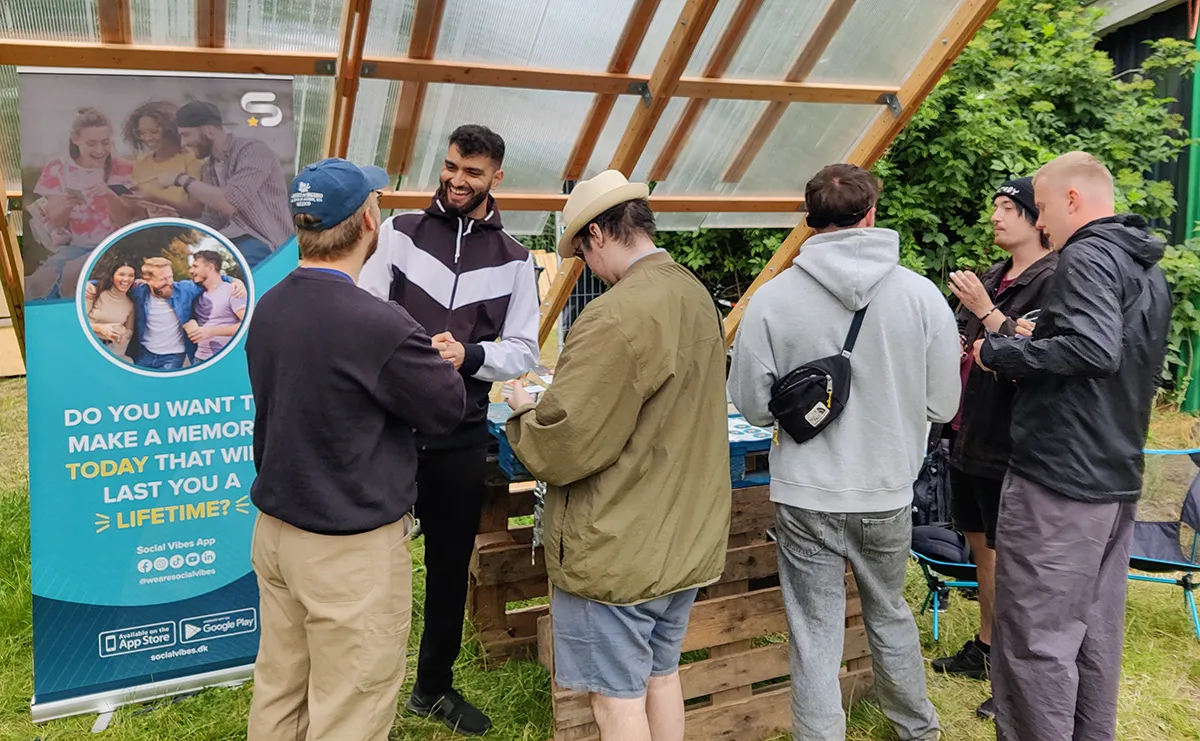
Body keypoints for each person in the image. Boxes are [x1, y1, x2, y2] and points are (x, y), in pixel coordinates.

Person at [728, 163, 959, 741]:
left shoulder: (772, 298)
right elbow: (943, 402)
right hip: (886, 489)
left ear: (809, 222)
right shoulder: (920, 295)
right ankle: (917, 729)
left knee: (814, 631)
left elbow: (753, 407)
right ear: (872, 212)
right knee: (890, 612)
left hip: (806, 494)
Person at [245, 157, 466, 741]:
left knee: (280, 689)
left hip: (277, 533)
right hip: (348, 553)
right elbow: (444, 409)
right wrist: (428, 357)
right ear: (369, 220)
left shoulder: (269, 307)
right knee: (352, 711)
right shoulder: (378, 322)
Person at [505, 169, 730, 741]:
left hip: (620, 547)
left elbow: (564, 441)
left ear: (599, 234)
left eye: (582, 251)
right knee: (662, 677)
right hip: (683, 537)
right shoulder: (692, 291)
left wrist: (522, 411)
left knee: (616, 701)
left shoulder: (613, 314)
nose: (588, 266)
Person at [976, 151, 1171, 741]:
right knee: (1091, 631)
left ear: (1072, 200)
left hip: (1059, 474)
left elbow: (1093, 351)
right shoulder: (1143, 266)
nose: (1039, 225)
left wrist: (1003, 353)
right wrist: (1048, 335)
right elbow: (1113, 354)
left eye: (1042, 208)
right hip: (1113, 472)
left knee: (1034, 637)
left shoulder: (1084, 255)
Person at [357, 124, 539, 735]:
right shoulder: (399, 232)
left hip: (461, 432)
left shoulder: (515, 258)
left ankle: (433, 686)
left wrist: (470, 355)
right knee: (367, 559)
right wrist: (406, 350)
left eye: (474, 173)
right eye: (453, 167)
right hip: (387, 429)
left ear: (497, 178)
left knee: (448, 562)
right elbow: (363, 306)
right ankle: (357, 682)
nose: (458, 181)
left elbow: (523, 350)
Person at [931, 177, 1058, 720]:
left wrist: (989, 315)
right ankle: (987, 647)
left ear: (1036, 217)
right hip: (970, 433)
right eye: (995, 207)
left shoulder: (1054, 280)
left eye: (1009, 208)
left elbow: (1031, 355)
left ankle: (1013, 669)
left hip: (1015, 442)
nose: (997, 216)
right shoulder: (992, 277)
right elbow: (978, 344)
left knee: (1012, 559)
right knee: (983, 548)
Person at [26, 107, 137, 299]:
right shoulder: (58, 168)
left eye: (105, 143)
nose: (100, 150)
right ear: (75, 140)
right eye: (91, 144)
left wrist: (109, 195)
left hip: (115, 244)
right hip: (76, 245)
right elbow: (57, 222)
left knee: (73, 276)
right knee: (40, 282)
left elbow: (126, 218)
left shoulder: (123, 167)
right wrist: (67, 205)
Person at [166, 101, 292, 267]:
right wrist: (177, 220)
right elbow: (213, 220)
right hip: (230, 242)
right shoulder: (209, 168)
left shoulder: (253, 151)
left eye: (186, 135)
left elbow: (230, 202)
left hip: (266, 243)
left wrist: (181, 179)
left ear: (208, 130)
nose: (183, 143)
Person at [116, 256, 243, 370]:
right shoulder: (139, 292)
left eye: (170, 277)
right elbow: (109, 285)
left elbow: (210, 278)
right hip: (144, 353)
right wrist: (94, 285)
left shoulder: (184, 289)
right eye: (163, 279)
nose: (170, 282)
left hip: (173, 356)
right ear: (148, 280)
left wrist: (234, 281)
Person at [121, 100, 204, 218]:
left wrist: (156, 200)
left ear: (171, 130)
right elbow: (140, 214)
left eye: (154, 132)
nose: (148, 138)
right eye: (142, 133)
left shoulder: (193, 160)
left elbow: (197, 210)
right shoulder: (139, 165)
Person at [185, 249, 247, 362]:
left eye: (195, 266)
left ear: (210, 267)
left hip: (225, 359)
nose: (191, 270)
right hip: (199, 358)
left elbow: (248, 324)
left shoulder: (233, 291)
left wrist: (212, 331)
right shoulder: (196, 294)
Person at [86, 258, 138, 361]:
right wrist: (100, 328)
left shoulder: (131, 304)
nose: (126, 279)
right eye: (121, 274)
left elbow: (129, 330)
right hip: (86, 344)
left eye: (131, 275)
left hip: (109, 350)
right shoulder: (94, 293)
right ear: (112, 276)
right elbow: (77, 321)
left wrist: (123, 335)